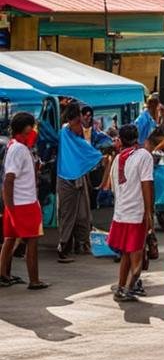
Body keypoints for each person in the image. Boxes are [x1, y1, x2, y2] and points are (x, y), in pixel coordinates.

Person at [108, 124, 154, 302]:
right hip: (136, 213)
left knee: (126, 255)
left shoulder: (118, 158)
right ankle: (129, 288)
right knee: (137, 260)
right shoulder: (143, 156)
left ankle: (121, 286)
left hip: (120, 214)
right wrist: (149, 213)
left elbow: (113, 188)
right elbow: (146, 184)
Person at [1, 112, 47, 290]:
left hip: (17, 203)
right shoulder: (19, 148)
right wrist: (10, 206)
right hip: (24, 203)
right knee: (32, 242)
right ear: (24, 130)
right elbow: (9, 179)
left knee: (10, 239)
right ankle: (34, 280)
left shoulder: (15, 145)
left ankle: (3, 274)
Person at [57, 102, 103, 262]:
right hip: (66, 178)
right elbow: (85, 149)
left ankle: (80, 244)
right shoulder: (66, 133)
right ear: (71, 121)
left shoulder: (71, 133)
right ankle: (63, 247)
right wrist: (100, 154)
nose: (80, 126)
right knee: (68, 214)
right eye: (78, 123)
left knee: (83, 213)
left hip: (76, 176)